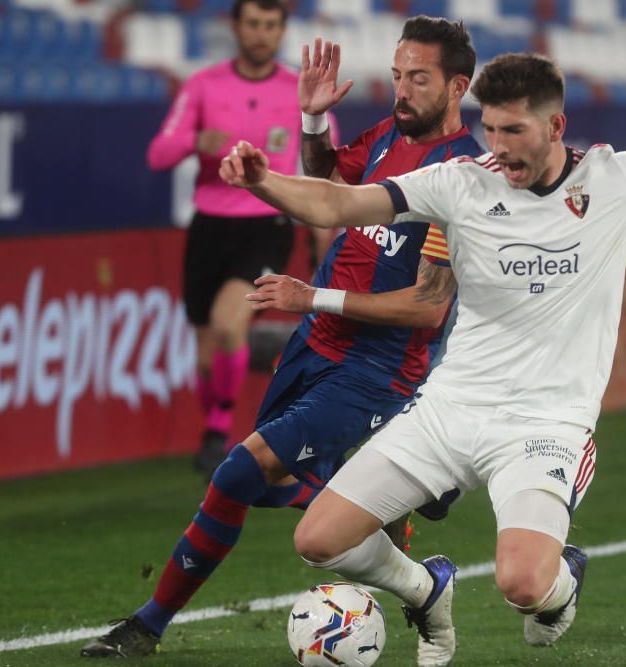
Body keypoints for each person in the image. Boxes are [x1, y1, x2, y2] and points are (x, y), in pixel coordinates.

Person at [219, 54, 626, 666]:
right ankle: (427, 588)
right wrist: (264, 180)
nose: (498, 148)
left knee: (523, 586)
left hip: (544, 425)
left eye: (514, 131)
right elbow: (338, 206)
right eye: (491, 129)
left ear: (555, 128)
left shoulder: (617, 179)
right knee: (317, 539)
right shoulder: (461, 182)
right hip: (450, 409)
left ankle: (562, 584)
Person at [79, 16, 483, 660]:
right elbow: (328, 182)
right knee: (258, 486)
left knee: (238, 471)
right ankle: (407, 521)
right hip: (316, 345)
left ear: (458, 86)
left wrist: (310, 295)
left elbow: (429, 308)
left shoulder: (465, 176)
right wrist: (315, 121)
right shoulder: (387, 136)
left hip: (375, 369)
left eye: (419, 79)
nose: (401, 90)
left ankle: (148, 626)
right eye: (398, 75)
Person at [145, 0, 307, 475]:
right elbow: (159, 153)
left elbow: (324, 161)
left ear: (281, 31)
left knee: (228, 325)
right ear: (236, 27)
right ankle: (212, 426)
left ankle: (217, 432)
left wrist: (323, 231)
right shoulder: (204, 85)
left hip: (267, 223)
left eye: (271, 26)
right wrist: (197, 141)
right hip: (210, 225)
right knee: (203, 350)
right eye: (253, 24)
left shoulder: (295, 89)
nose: (262, 34)